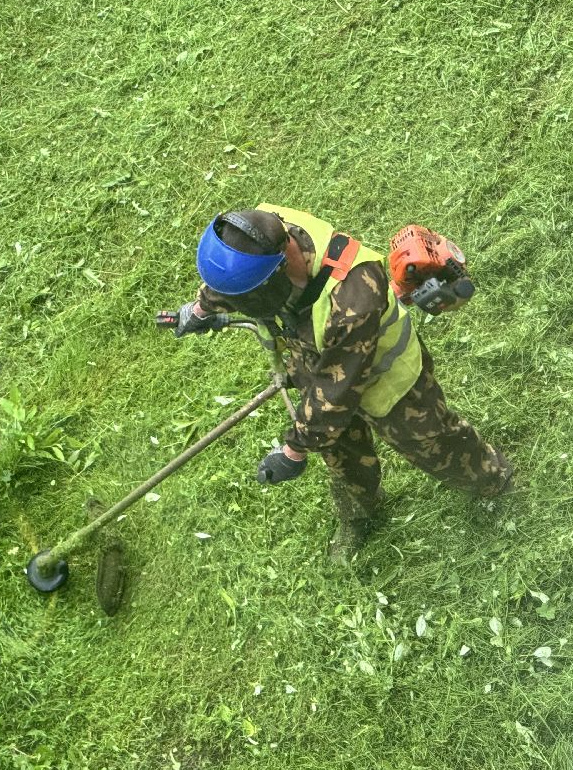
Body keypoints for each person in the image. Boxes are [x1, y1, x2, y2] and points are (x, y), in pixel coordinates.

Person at [168, 205, 512, 564]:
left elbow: (335, 395)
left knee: (432, 440)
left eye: (250, 299)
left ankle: (492, 481)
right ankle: (359, 514)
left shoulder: (353, 296)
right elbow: (233, 274)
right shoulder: (257, 233)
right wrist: (201, 309)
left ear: (280, 267)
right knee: (343, 457)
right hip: (317, 360)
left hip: (390, 382)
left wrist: (293, 451)